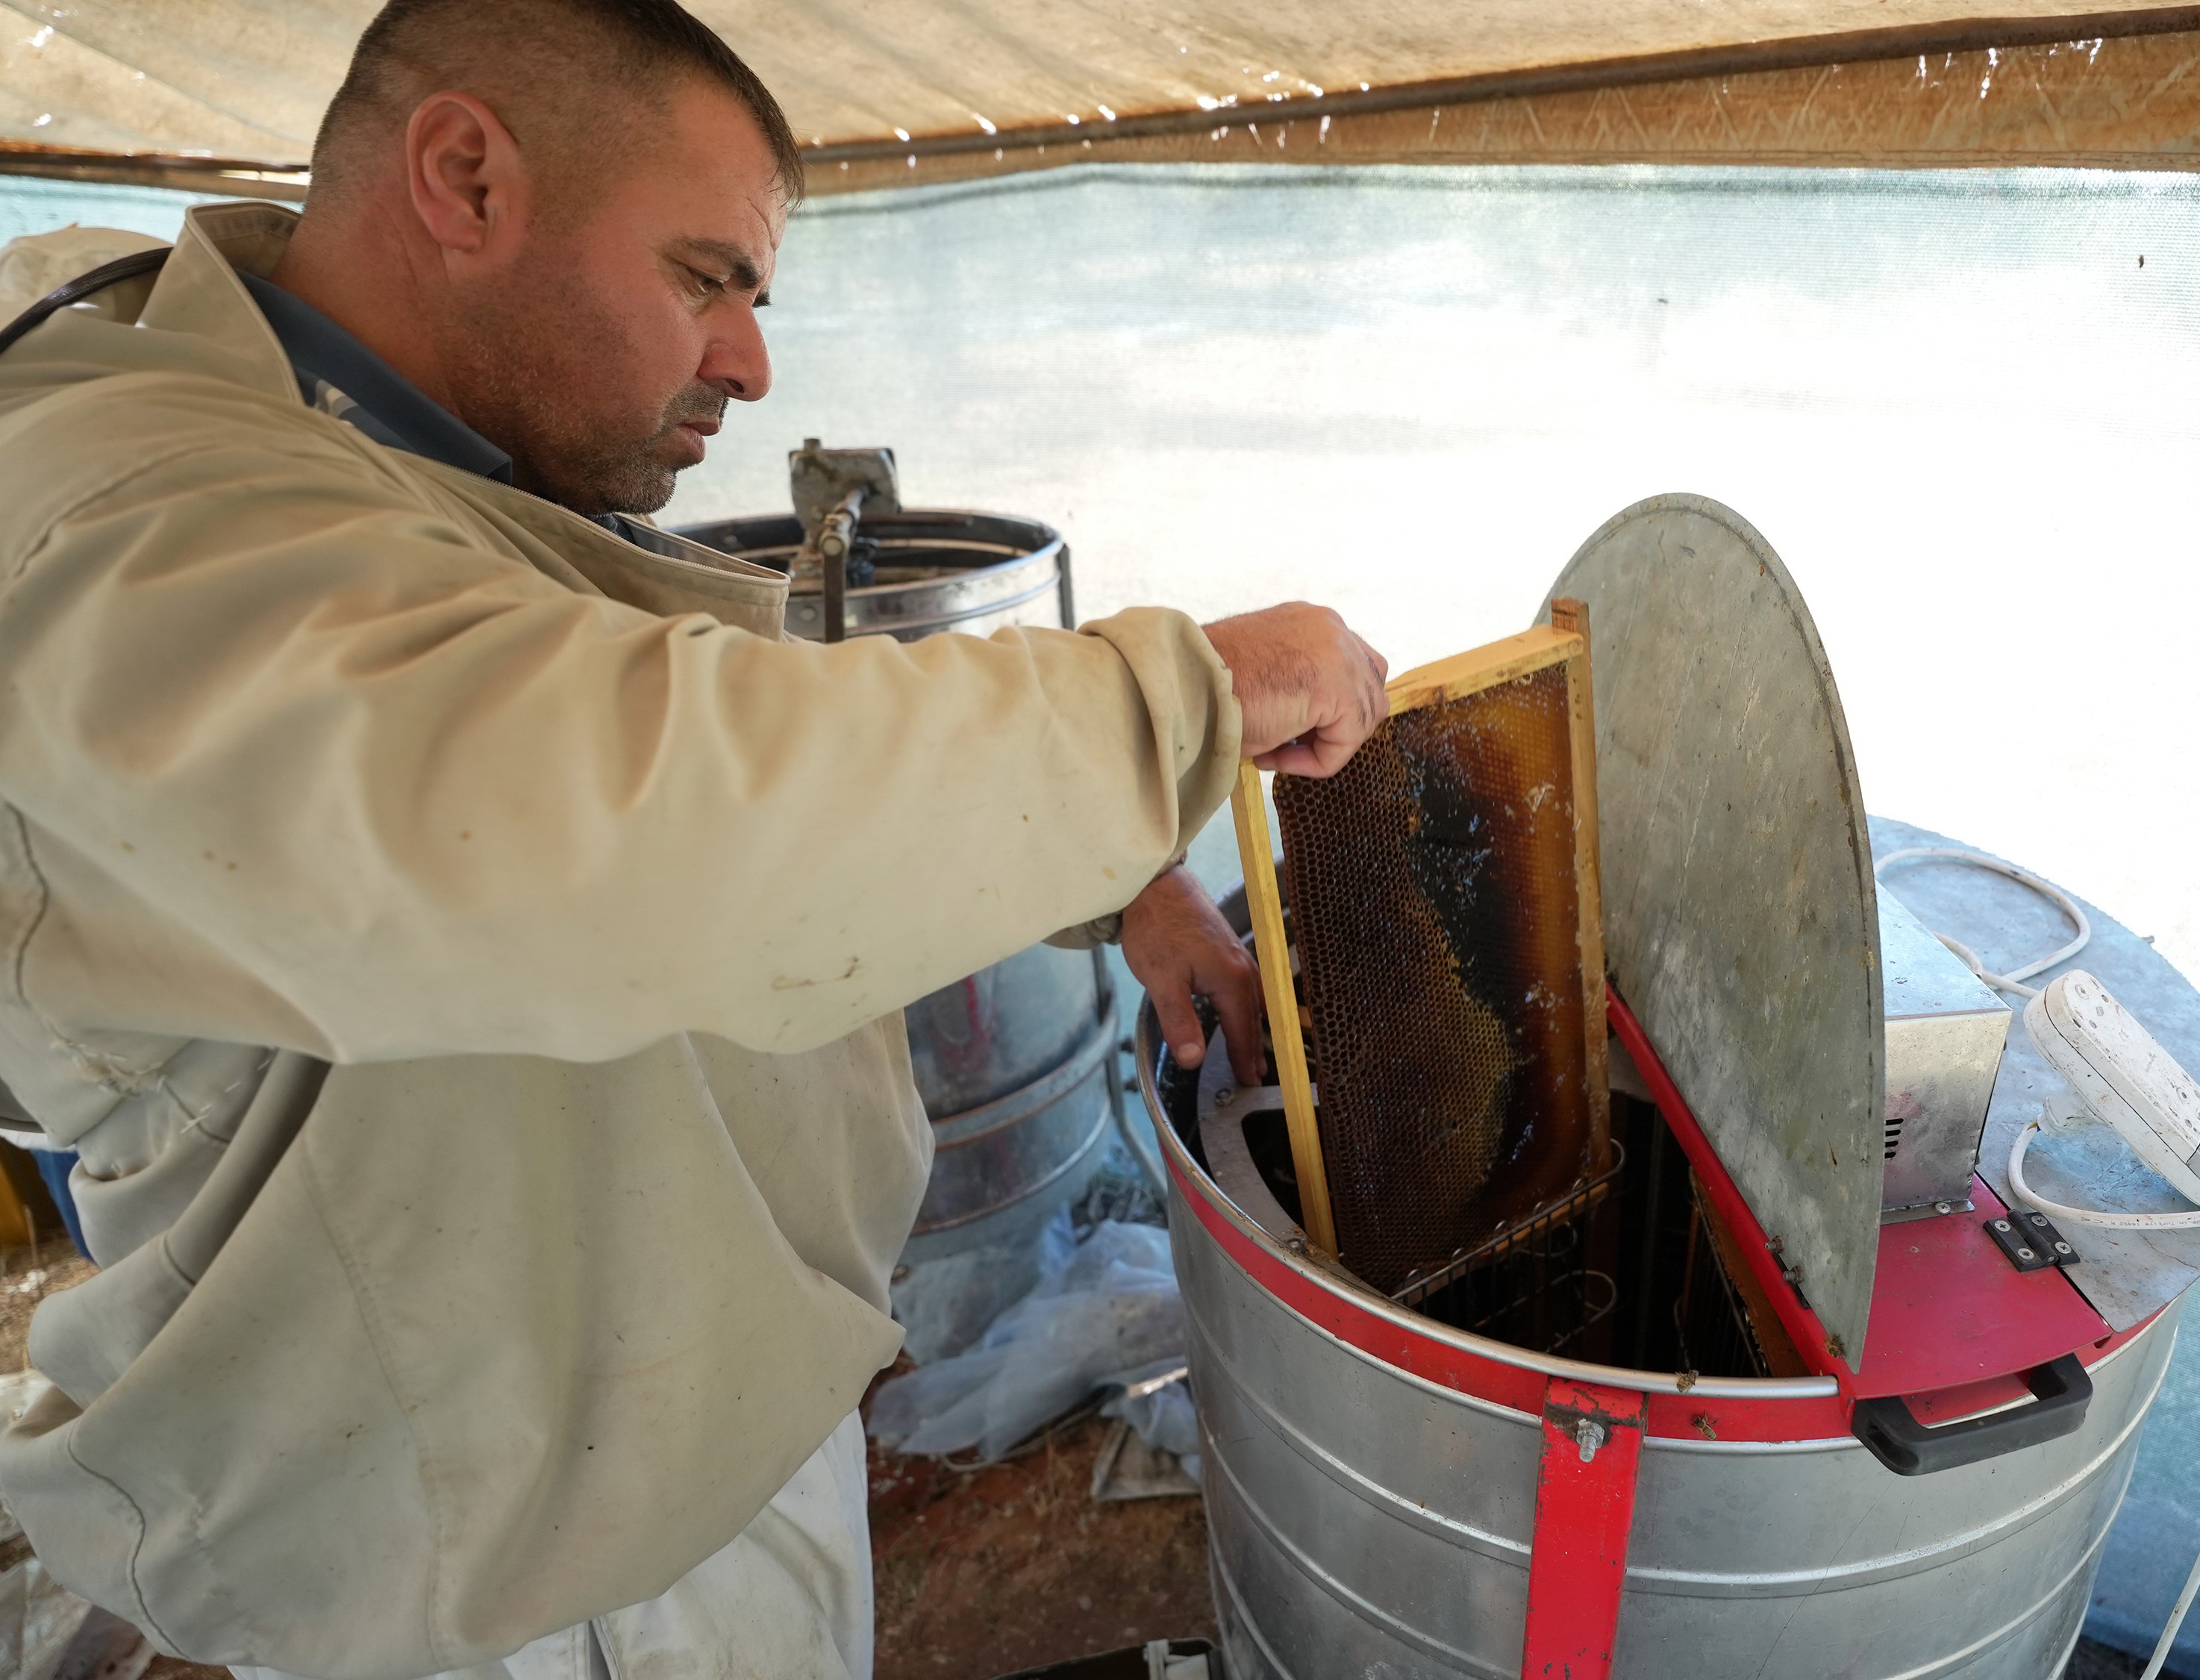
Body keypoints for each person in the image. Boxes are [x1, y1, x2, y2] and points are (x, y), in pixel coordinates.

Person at [0, 2, 1384, 1676]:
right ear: (465, 177)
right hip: (497, 1565)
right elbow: (602, 814)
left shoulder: (398, 449)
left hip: (674, 1420)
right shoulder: (127, 523)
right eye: (704, 277)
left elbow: (703, 722)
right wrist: (1175, 706)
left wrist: (1119, 879)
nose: (748, 363)